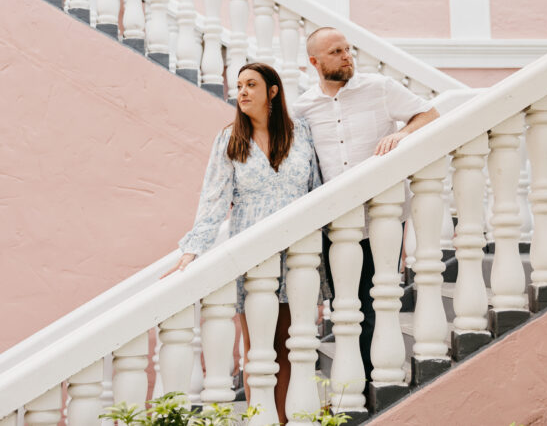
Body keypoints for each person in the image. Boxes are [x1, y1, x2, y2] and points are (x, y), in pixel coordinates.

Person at [165, 62, 321, 425]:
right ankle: (262, 420)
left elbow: (317, 190)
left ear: (273, 91)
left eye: (251, 84)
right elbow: (213, 200)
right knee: (259, 347)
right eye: (239, 86)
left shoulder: (303, 134)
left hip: (297, 253)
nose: (243, 92)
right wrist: (192, 250)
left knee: (291, 344)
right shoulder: (229, 139)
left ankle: (286, 419)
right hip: (253, 254)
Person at [292, 27, 439, 383]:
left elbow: (428, 114)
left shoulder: (381, 88)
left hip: (381, 217)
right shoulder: (303, 108)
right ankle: (352, 377)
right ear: (315, 62)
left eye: (347, 49)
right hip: (336, 221)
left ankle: (376, 380)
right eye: (335, 51)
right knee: (344, 304)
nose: (346, 56)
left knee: (376, 298)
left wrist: (402, 134)